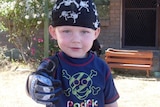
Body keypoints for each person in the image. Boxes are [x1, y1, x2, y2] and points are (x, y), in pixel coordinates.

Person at [26, 0, 119, 107]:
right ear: (53, 32)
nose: (76, 40)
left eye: (84, 32)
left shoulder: (102, 67)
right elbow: (36, 80)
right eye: (66, 31)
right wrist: (31, 84)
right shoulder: (51, 66)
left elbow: (111, 103)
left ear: (96, 33)